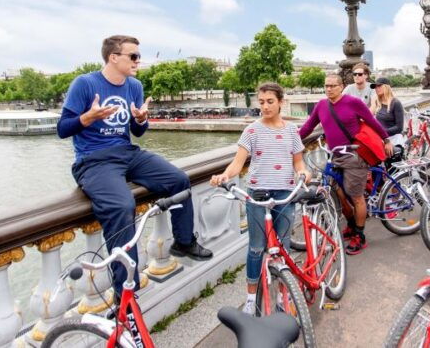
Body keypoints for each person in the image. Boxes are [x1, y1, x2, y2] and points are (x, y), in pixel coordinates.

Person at [57, 35, 212, 300]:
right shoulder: (85, 84)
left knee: (178, 180)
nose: (138, 61)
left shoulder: (134, 86)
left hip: (127, 152)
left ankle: (184, 241)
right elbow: (62, 129)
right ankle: (125, 290)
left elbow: (137, 132)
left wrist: (141, 119)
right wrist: (87, 117)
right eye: (133, 56)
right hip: (93, 160)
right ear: (113, 57)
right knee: (121, 206)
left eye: (139, 56)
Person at [210, 83, 311, 314]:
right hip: (257, 194)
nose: (265, 106)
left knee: (282, 248)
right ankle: (249, 297)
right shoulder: (252, 131)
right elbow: (238, 163)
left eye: (270, 101)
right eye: (261, 102)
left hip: (285, 194)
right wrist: (224, 175)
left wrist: (304, 173)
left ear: (280, 102)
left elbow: (298, 162)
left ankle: (282, 294)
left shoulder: (292, 130)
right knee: (256, 248)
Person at [299, 73, 393, 255]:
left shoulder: (352, 102)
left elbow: (371, 121)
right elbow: (307, 127)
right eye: (326, 86)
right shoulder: (321, 105)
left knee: (356, 196)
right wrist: (290, 141)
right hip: (334, 156)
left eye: (333, 86)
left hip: (354, 155)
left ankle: (360, 235)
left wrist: (386, 139)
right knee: (339, 193)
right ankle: (351, 225)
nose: (329, 89)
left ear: (341, 87)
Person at [369, 77, 405, 149]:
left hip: (394, 140)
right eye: (375, 87)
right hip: (381, 139)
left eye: (379, 86)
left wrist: (382, 133)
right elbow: (368, 116)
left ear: (386, 87)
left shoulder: (396, 103)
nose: (376, 88)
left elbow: (399, 127)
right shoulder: (377, 102)